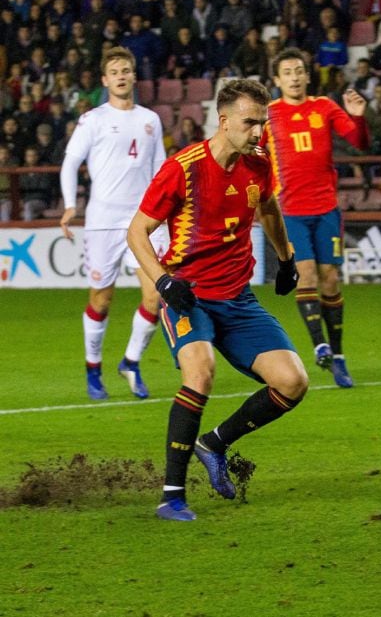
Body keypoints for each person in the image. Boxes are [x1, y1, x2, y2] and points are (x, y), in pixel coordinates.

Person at [127, 78, 305, 522]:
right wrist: (164, 282)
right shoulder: (182, 169)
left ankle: (215, 443)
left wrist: (287, 259)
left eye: (263, 123)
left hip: (237, 298)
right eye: (250, 123)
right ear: (224, 122)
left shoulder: (259, 163)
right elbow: (137, 232)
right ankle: (171, 495)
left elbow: (268, 209)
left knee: (293, 381)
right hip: (189, 297)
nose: (259, 132)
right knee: (200, 374)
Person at [59, 47, 168, 401]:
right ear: (105, 80)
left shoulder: (151, 119)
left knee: (155, 295)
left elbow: (160, 172)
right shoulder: (93, 120)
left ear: (134, 76)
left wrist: (165, 213)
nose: (121, 75)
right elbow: (70, 162)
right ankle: (93, 369)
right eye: (115, 71)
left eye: (126, 70)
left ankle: (131, 362)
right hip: (103, 220)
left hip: (141, 220)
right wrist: (71, 204)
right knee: (102, 299)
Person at [262, 47, 370, 388]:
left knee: (331, 279)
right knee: (305, 274)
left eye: (299, 70)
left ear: (307, 75)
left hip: (325, 208)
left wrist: (359, 117)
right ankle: (318, 344)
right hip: (290, 211)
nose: (294, 77)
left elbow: (359, 142)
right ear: (277, 80)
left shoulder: (324, 106)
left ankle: (338, 356)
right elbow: (253, 155)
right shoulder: (268, 116)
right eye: (287, 72)